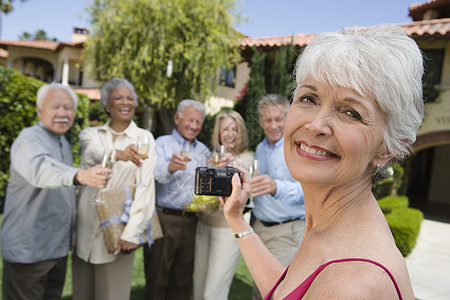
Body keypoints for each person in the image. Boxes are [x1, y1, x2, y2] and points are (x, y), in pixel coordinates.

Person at [221, 25, 422, 299]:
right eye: (308, 98)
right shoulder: (332, 228)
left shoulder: (354, 284)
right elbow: (285, 291)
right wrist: (237, 220)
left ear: (388, 148)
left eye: (351, 112)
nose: (316, 125)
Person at [1, 83, 110, 300]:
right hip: (28, 253)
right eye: (55, 106)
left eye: (68, 107)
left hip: (56, 251)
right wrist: (80, 175)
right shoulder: (29, 139)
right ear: (39, 110)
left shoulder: (61, 142)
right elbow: (40, 169)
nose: (62, 113)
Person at [72, 78, 156, 300]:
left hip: (119, 226)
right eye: (118, 97)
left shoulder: (144, 138)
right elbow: (92, 152)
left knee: (113, 294)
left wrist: (132, 233)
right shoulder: (91, 134)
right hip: (86, 222)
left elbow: (145, 188)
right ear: (107, 104)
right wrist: (118, 154)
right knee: (82, 292)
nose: (125, 102)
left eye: (130, 98)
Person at [144, 99, 210, 299]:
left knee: (182, 279)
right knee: (157, 276)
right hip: (163, 218)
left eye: (198, 122)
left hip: (191, 221)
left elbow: (205, 187)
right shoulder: (162, 143)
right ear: (177, 119)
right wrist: (169, 168)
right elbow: (152, 175)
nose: (194, 126)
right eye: (190, 120)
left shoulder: (204, 151)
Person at [193, 110, 254, 300]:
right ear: (218, 133)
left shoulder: (246, 159)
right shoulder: (211, 157)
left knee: (214, 292)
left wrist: (227, 165)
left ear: (241, 132)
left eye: (234, 129)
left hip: (227, 231)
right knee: (199, 287)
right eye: (225, 129)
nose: (230, 134)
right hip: (204, 225)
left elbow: (239, 174)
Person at [250, 94, 306, 299]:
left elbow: (308, 191)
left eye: (278, 119)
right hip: (259, 228)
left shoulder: (299, 148)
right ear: (260, 120)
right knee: (258, 287)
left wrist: (276, 187)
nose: (273, 125)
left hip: (286, 232)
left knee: (276, 290)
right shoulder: (260, 148)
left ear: (287, 118)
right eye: (267, 119)